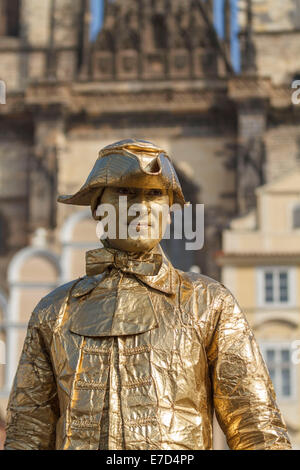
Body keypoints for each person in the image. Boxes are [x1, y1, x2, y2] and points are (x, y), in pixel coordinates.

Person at [4, 139, 291, 450]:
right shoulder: (53, 311)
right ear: (98, 208)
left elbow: (256, 426)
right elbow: (27, 433)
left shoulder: (209, 302)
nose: (141, 207)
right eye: (125, 192)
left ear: (169, 211)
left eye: (154, 194)